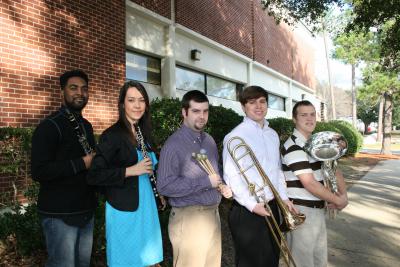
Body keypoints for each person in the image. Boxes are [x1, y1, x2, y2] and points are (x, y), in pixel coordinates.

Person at [87, 81, 163, 267]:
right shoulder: (112, 135)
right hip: (125, 212)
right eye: (131, 100)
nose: (137, 105)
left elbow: (150, 169)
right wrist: (130, 170)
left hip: (147, 209)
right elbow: (94, 175)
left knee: (148, 261)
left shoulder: (143, 133)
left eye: (141, 100)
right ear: (122, 104)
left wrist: (158, 191)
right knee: (126, 261)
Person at [222, 85, 297, 267]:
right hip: (248, 211)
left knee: (271, 260)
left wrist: (283, 198)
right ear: (243, 107)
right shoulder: (235, 136)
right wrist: (252, 205)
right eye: (252, 102)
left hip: (273, 205)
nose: (258, 106)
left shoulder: (272, 135)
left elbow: (276, 170)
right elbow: (232, 176)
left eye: (262, 101)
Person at [157, 90, 232, 267]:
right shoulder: (173, 145)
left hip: (213, 215)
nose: (202, 116)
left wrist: (222, 185)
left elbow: (216, 172)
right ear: (184, 112)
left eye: (205, 111)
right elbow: (164, 186)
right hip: (189, 219)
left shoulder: (209, 141)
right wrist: (206, 182)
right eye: (196, 111)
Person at [31, 69, 96, 267]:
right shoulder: (49, 126)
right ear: (62, 92)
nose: (80, 93)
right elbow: (39, 171)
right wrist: (82, 163)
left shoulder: (86, 125)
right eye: (73, 88)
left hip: (85, 211)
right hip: (59, 216)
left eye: (84, 89)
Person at [281, 100, 348, 267]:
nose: (309, 119)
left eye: (312, 114)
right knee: (303, 263)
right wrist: (337, 200)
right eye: (304, 115)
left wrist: (344, 195)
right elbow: (309, 183)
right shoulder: (294, 147)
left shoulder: (315, 143)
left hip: (317, 211)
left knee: (319, 262)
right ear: (294, 119)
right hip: (302, 212)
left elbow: (334, 168)